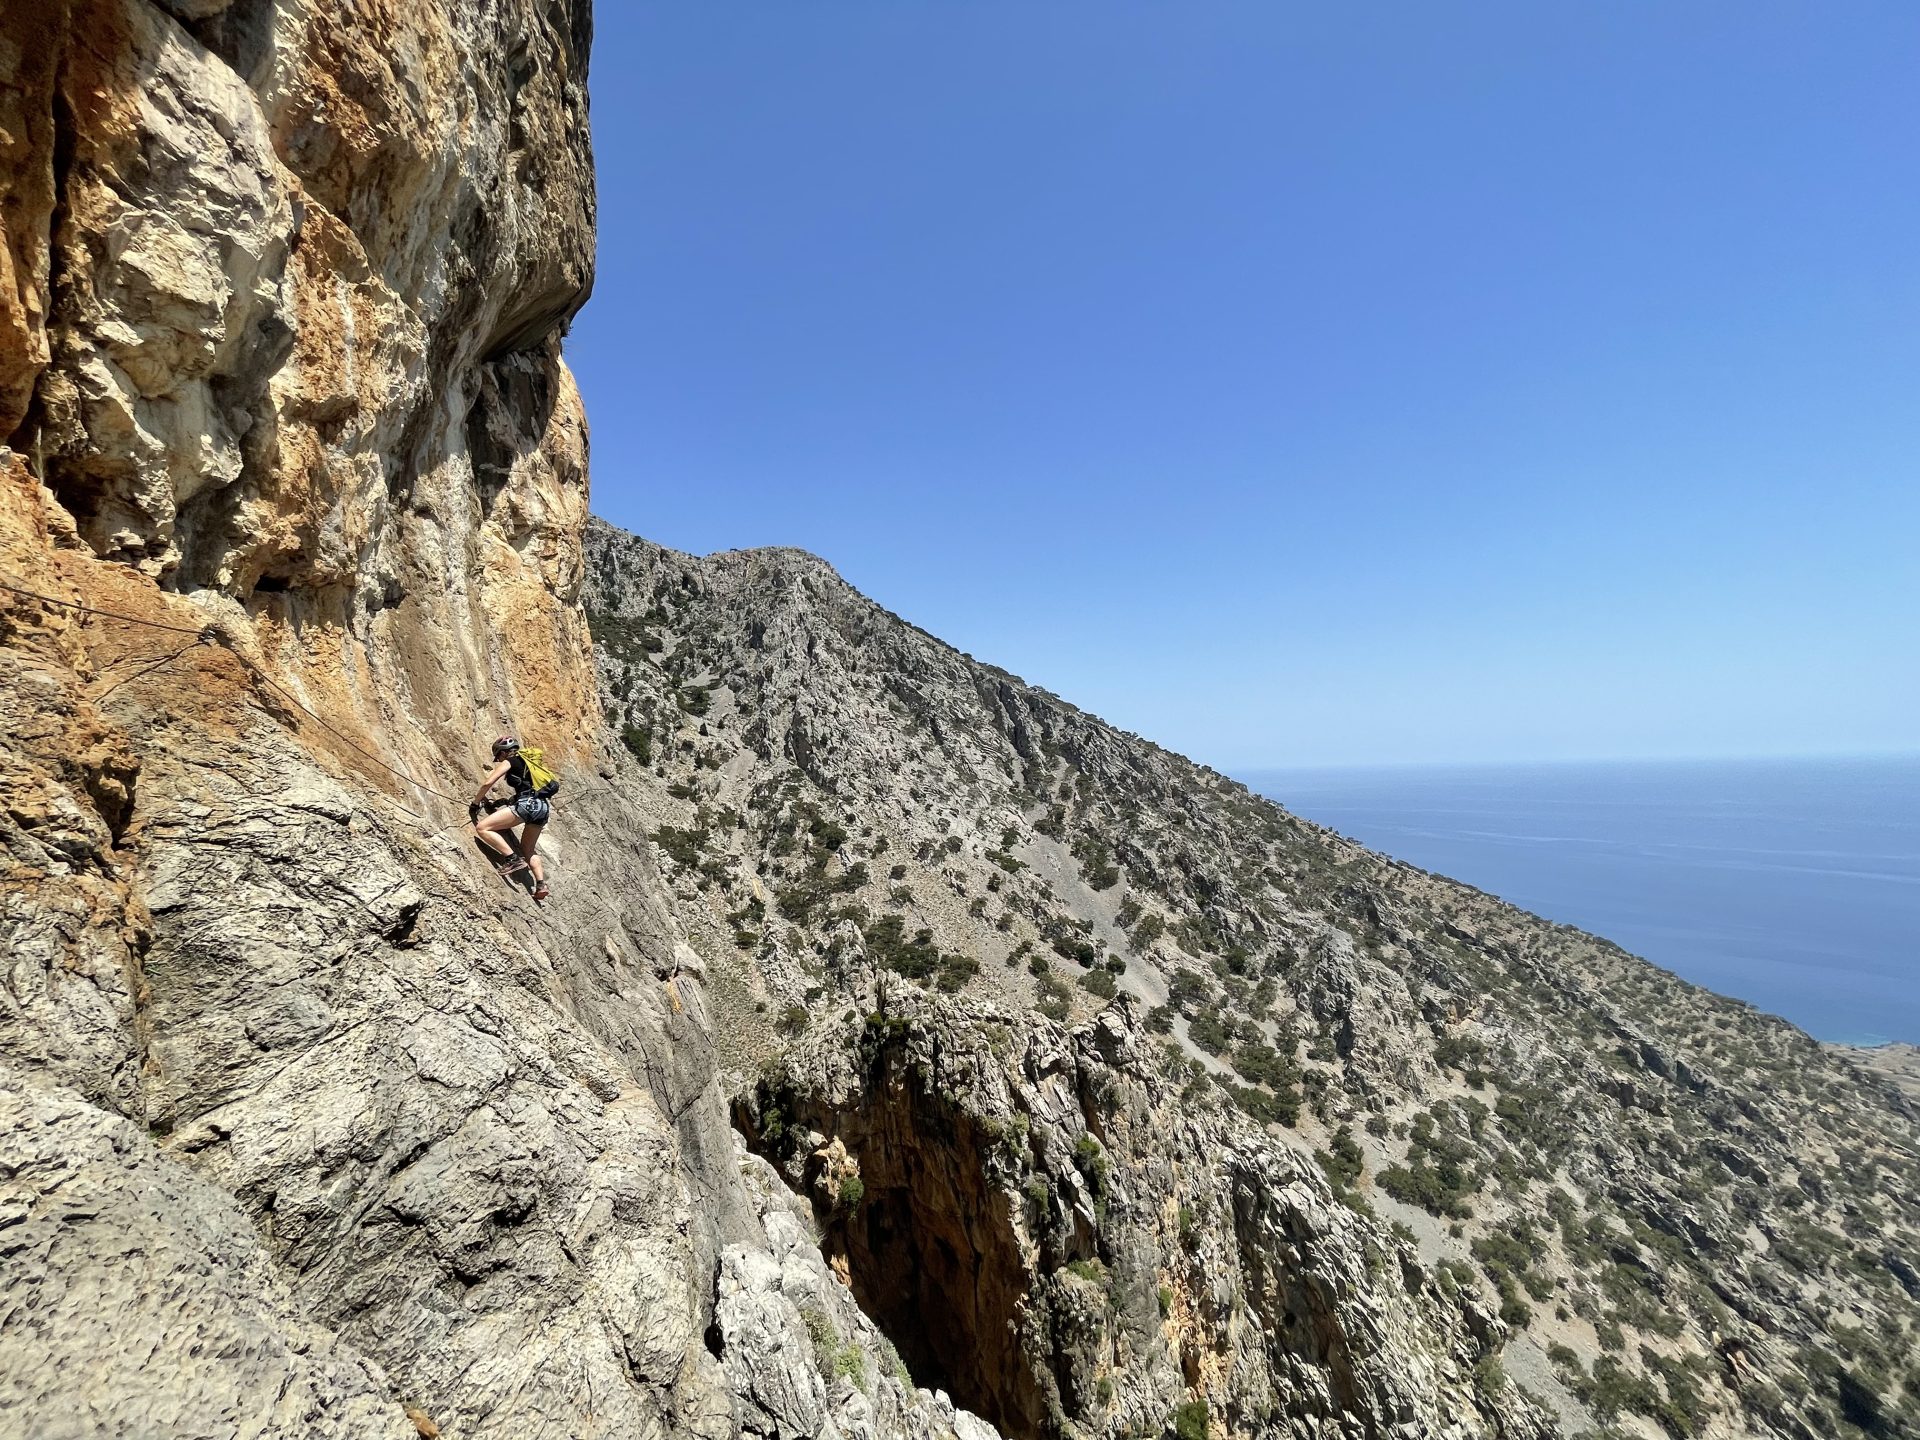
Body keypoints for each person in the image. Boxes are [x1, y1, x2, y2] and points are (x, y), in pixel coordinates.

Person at [470, 734, 553, 901]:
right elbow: (528, 786)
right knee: (528, 849)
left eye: (499, 756)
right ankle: (541, 884)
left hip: (527, 805)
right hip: (542, 807)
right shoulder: (531, 763)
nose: (499, 760)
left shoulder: (510, 761)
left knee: (482, 828)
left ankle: (512, 859)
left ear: (503, 753)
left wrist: (475, 802)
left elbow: (488, 782)